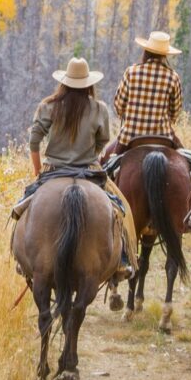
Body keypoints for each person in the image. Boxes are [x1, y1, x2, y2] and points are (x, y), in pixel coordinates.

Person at [23, 56, 137, 278]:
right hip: (88, 170)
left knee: (22, 208)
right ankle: (123, 260)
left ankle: (23, 257)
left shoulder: (48, 106)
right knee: (120, 209)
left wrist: (37, 171)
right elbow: (104, 140)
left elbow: (34, 140)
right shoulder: (99, 108)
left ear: (64, 82)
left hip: (54, 169)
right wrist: (90, 154)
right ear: (89, 84)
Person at [103, 30, 185, 161]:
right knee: (188, 166)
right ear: (165, 55)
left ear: (146, 51)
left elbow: (118, 105)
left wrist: (128, 115)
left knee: (108, 167)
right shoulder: (173, 77)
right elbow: (175, 112)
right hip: (163, 135)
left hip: (129, 136)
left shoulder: (131, 72)